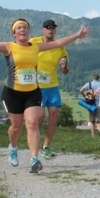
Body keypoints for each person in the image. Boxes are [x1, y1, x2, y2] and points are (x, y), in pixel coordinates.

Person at [0, 18, 90, 173]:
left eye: (25, 27)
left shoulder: (36, 47)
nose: (22, 29)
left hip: (33, 92)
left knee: (32, 123)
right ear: (14, 33)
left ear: (28, 31)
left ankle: (34, 159)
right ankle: (13, 147)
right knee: (16, 126)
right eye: (19, 28)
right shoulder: (9, 47)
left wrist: (77, 35)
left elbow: (58, 43)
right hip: (12, 93)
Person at [29, 19, 69, 158]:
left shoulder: (60, 47)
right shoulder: (34, 42)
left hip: (52, 85)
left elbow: (65, 71)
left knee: (54, 114)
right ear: (43, 29)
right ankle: (34, 141)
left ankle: (46, 146)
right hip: (37, 85)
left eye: (53, 28)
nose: (50, 30)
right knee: (39, 117)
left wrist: (63, 67)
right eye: (48, 27)